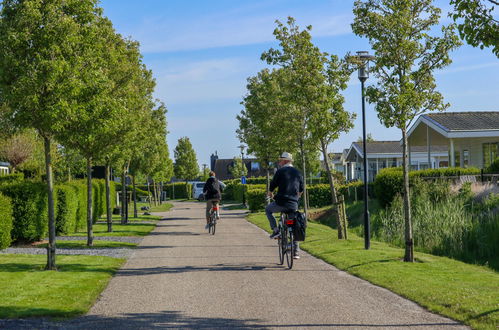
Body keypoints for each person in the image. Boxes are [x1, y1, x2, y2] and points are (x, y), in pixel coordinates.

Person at [266, 152, 304, 259]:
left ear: (285, 161)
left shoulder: (280, 171)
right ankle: (296, 252)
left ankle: (275, 230)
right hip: (293, 204)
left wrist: (270, 193)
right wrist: (297, 198)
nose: (279, 162)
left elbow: (273, 184)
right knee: (294, 225)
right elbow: (301, 189)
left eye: (281, 160)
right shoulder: (298, 172)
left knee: (268, 209)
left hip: (281, 202)